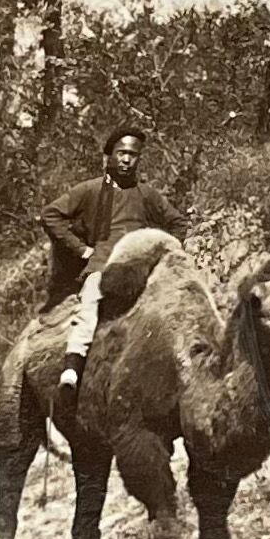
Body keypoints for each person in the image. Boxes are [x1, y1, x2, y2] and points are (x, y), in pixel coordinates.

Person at [39, 126, 186, 423]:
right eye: (122, 153)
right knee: (89, 305)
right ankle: (72, 368)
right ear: (108, 156)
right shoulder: (90, 190)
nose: (127, 161)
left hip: (143, 264)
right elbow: (51, 215)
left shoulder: (147, 194)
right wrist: (81, 250)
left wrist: (168, 248)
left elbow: (178, 222)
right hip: (104, 263)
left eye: (133, 155)